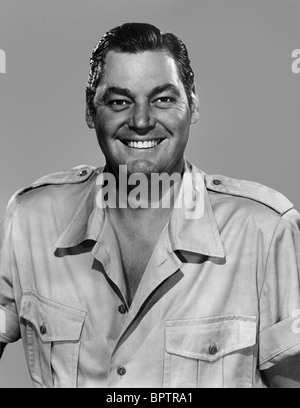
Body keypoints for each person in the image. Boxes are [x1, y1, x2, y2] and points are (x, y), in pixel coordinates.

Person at [1, 22, 300, 388]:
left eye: (162, 99)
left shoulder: (265, 232)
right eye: (119, 102)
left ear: (192, 105)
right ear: (90, 111)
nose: (141, 121)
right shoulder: (32, 218)